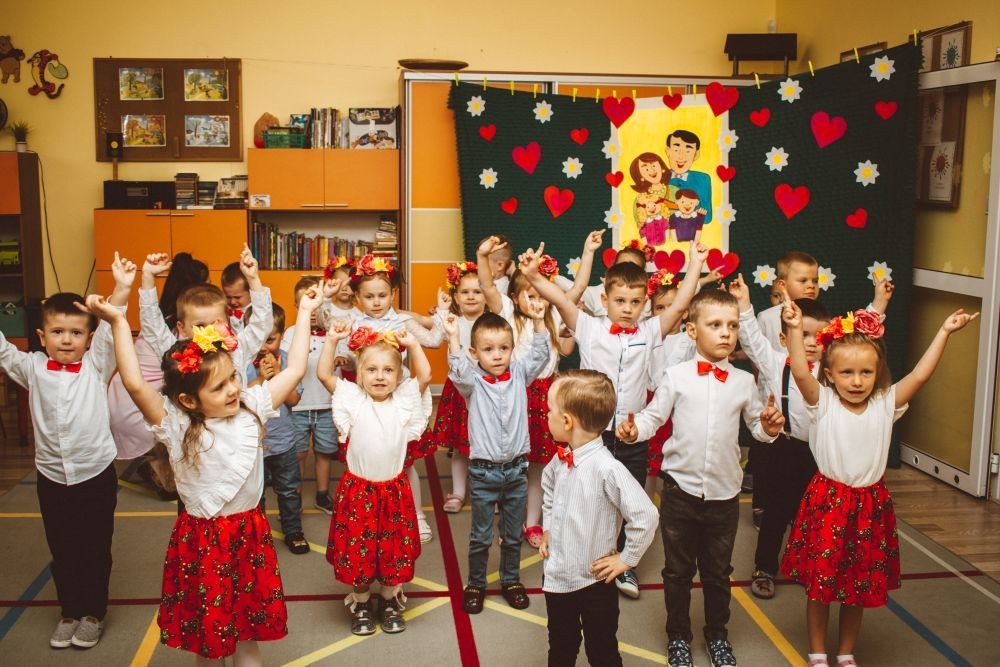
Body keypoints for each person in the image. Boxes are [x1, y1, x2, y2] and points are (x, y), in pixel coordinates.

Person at [88, 284, 322, 664]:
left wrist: (306, 312)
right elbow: (133, 383)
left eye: (233, 378)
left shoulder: (252, 406)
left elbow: (294, 369)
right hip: (203, 543)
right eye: (220, 386)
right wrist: (117, 321)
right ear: (188, 400)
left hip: (249, 536)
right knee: (209, 642)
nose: (234, 389)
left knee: (247, 637)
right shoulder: (177, 424)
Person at [780, 298, 977, 667]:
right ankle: (818, 652)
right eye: (847, 373)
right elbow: (801, 375)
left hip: (869, 507)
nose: (857, 381)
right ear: (830, 375)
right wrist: (794, 330)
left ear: (878, 373)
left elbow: (919, 376)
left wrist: (944, 332)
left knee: (857, 589)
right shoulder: (823, 403)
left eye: (866, 373)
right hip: (829, 504)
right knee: (821, 589)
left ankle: (846, 653)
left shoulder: (886, 404)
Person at [524, 237, 706, 600]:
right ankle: (573, 553)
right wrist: (531, 275)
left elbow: (683, 303)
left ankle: (625, 563)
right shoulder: (588, 327)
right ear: (604, 300)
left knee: (629, 499)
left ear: (646, 304)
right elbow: (560, 298)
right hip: (591, 435)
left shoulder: (651, 330)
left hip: (630, 434)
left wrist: (695, 264)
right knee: (582, 496)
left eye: (636, 302)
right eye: (620, 301)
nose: (627, 309)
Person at [617, 289, 786, 667]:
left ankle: (717, 635)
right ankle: (678, 636)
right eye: (715, 325)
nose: (726, 333)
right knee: (677, 572)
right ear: (692, 331)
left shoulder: (743, 382)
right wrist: (633, 431)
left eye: (731, 326)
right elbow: (651, 418)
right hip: (679, 491)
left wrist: (770, 428)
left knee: (717, 573)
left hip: (724, 497)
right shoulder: (675, 376)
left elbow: (758, 428)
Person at [0, 254, 133, 650]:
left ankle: (93, 613)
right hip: (52, 476)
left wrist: (122, 288)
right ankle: (69, 611)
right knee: (62, 548)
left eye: (76, 333)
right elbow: (4, 352)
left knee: (95, 547)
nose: (67, 340)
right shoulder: (32, 368)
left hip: (94, 474)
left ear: (88, 338)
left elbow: (112, 329)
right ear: (42, 336)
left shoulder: (96, 364)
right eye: (57, 332)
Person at [316, 317, 433, 635]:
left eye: (388, 370)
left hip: (394, 493)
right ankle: (362, 601)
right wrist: (331, 341)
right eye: (371, 370)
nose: (380, 376)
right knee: (360, 552)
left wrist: (412, 344)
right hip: (359, 493)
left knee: (392, 551)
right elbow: (324, 374)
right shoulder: (352, 400)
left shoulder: (404, 402)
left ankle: (390, 599)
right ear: (359, 374)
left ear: (398, 376)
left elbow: (425, 375)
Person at [540, 369, 658, 667]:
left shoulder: (608, 469)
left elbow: (646, 515)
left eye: (549, 410)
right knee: (561, 648)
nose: (547, 416)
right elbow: (549, 486)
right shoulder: (561, 457)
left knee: (602, 650)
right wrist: (549, 530)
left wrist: (626, 559)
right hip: (560, 577)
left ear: (567, 421)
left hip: (596, 582)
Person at [728, 274, 832, 599]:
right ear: (786, 339)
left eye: (821, 336)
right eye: (805, 335)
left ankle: (807, 566)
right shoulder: (776, 363)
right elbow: (752, 340)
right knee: (775, 513)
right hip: (784, 450)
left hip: (821, 454)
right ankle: (764, 567)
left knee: (814, 516)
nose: (813, 342)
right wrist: (744, 303)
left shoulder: (834, 371)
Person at [477, 235, 585, 548]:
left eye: (541, 295)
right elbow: (487, 287)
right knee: (510, 464)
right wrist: (483, 256)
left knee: (539, 465)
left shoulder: (551, 314)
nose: (535, 301)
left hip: (547, 396)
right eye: (528, 295)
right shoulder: (507, 312)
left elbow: (576, 290)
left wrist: (588, 252)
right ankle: (507, 520)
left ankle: (532, 522)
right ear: (513, 295)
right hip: (514, 394)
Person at [445, 309, 550, 614]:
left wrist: (540, 321)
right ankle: (476, 584)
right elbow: (459, 370)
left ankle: (511, 580)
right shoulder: (472, 383)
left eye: (504, 348)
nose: (497, 355)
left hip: (517, 470)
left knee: (512, 534)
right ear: (474, 352)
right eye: (488, 350)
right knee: (480, 536)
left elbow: (540, 355)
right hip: (484, 473)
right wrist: (453, 337)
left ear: (512, 349)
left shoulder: (519, 373)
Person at [335, 254, 443, 543]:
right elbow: (348, 363)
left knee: (406, 463)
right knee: (367, 460)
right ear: (356, 296)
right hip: (367, 400)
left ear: (392, 293)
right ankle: (371, 513)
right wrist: (344, 359)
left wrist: (442, 316)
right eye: (369, 296)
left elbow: (433, 340)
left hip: (399, 399)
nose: (377, 302)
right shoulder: (351, 322)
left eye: (382, 295)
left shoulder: (403, 320)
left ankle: (416, 515)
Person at [108, 251, 208, 461]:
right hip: (136, 413)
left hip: (117, 403)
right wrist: (147, 278)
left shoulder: (167, 320)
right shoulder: (173, 335)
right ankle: (158, 461)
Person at [420, 262, 486, 515]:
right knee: (460, 447)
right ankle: (458, 491)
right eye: (465, 292)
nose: (471, 296)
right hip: (459, 390)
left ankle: (487, 492)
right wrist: (440, 312)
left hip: (485, 389)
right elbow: (434, 337)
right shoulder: (451, 320)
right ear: (456, 296)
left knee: (483, 445)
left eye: (477, 291)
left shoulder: (493, 321)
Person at [248, 302, 309, 554]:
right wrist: (261, 378)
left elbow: (293, 400)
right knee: (256, 493)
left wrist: (278, 377)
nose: (263, 346)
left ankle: (293, 529)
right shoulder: (241, 360)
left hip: (284, 440)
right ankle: (257, 535)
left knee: (289, 489)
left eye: (270, 339)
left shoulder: (289, 361)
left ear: (281, 336)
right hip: (253, 443)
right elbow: (243, 400)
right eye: (258, 338)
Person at [282, 276, 339, 515]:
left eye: (319, 305)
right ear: (298, 306)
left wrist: (342, 357)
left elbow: (345, 356)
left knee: (324, 452)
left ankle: (322, 494)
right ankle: (294, 495)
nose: (314, 312)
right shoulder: (291, 333)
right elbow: (286, 365)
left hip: (326, 404)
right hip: (298, 406)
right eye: (307, 304)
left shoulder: (332, 331)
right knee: (298, 453)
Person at [665, 129, 712, 223]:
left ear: (696, 155)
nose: (681, 156)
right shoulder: (657, 178)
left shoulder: (703, 179)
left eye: (688, 151)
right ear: (668, 151)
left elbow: (707, 217)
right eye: (676, 150)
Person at [628, 152, 672, 246]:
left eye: (654, 165)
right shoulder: (640, 200)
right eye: (646, 168)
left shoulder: (675, 191)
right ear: (640, 175)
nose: (651, 170)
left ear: (661, 167)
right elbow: (640, 227)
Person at [221, 260, 253, 333]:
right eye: (228, 297)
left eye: (237, 297)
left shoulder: (256, 313)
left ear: (251, 292)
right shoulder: (222, 310)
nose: (232, 302)